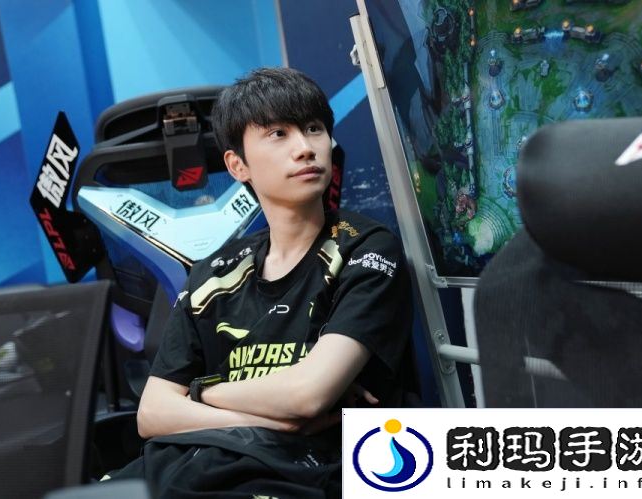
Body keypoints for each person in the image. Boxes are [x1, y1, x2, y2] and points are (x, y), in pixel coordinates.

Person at [109, 67, 414, 498]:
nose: (305, 148)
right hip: (199, 460)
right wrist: (268, 417)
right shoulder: (214, 272)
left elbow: (307, 395)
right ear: (238, 165)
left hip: (310, 469)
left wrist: (199, 395)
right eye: (278, 134)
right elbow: (153, 413)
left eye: (314, 129)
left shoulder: (366, 248)